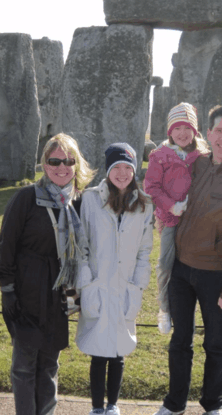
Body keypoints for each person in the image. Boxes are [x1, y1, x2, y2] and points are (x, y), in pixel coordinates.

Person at [153, 105, 222, 415]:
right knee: (180, 342)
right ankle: (174, 404)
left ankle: (213, 405)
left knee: (215, 344)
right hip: (181, 268)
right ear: (209, 133)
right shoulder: (197, 164)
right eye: (219, 131)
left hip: (216, 274)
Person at [0, 133, 95, 415]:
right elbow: (6, 244)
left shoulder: (79, 202)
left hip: (59, 293)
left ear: (77, 164)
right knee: (25, 366)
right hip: (27, 291)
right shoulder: (26, 198)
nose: (62, 167)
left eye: (68, 160)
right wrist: (7, 290)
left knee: (49, 365)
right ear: (44, 163)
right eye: (55, 160)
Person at [75, 143, 154, 415]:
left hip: (125, 286)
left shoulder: (144, 205)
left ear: (134, 170)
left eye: (127, 167)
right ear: (108, 170)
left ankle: (113, 406)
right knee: (98, 353)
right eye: (116, 167)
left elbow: (145, 249)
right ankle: (97, 407)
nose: (122, 173)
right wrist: (86, 280)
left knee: (119, 352)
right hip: (98, 284)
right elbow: (81, 245)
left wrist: (139, 283)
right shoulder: (89, 200)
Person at [143, 102, 209, 334]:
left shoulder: (202, 155)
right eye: (177, 128)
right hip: (172, 218)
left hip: (198, 219)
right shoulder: (160, 156)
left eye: (187, 128)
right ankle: (164, 309)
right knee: (165, 264)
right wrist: (172, 207)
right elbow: (151, 187)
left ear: (195, 131)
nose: (182, 133)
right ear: (170, 131)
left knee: (218, 247)